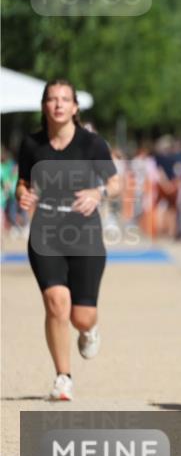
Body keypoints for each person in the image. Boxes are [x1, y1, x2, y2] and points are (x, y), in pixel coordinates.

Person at [15, 79, 121, 401]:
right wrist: (22, 194)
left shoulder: (92, 144)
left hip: (85, 233)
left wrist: (97, 192)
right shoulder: (32, 145)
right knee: (56, 303)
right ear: (44, 106)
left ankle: (89, 330)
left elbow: (115, 183)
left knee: (80, 315)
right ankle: (63, 377)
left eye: (65, 99)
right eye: (52, 99)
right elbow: (22, 181)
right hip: (46, 230)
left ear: (75, 108)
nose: (58, 104)